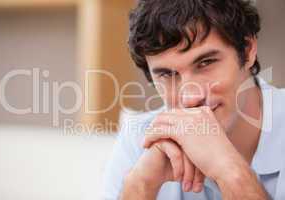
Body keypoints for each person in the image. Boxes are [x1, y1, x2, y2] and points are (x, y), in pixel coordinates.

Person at [103, 0, 285, 199]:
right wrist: (141, 185)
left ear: (248, 49)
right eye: (167, 74)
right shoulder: (139, 140)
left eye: (205, 63)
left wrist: (231, 172)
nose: (191, 98)